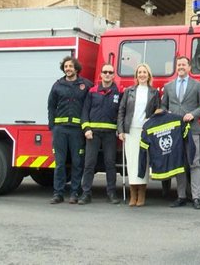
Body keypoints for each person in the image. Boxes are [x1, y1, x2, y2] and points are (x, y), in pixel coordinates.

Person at [161, 56, 200, 210]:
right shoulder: (168, 86)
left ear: (189, 67)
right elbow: (163, 106)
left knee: (194, 163)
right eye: (179, 64)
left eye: (183, 64)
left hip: (192, 129)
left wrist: (193, 114)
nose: (181, 67)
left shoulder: (197, 85)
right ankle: (181, 196)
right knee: (179, 165)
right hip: (175, 132)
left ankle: (196, 198)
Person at [47, 56, 93, 204]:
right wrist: (52, 126)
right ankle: (58, 193)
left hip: (77, 131)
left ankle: (74, 193)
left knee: (77, 163)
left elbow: (90, 105)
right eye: (66, 66)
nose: (68, 69)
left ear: (76, 69)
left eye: (70, 66)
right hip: (60, 130)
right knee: (59, 163)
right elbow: (51, 106)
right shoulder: (57, 85)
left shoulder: (85, 85)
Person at [117, 63, 160, 207]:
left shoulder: (154, 93)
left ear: (148, 75)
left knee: (143, 162)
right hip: (130, 131)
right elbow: (121, 111)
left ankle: (141, 194)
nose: (142, 75)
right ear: (136, 75)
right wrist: (121, 130)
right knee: (132, 163)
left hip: (145, 132)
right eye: (139, 72)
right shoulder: (129, 91)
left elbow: (157, 112)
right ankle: (132, 195)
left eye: (144, 72)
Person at [79, 63, 122, 205]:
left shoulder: (119, 92)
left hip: (110, 134)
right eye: (105, 72)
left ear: (114, 75)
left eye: (110, 72)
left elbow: (122, 113)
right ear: (101, 74)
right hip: (93, 133)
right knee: (89, 163)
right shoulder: (92, 91)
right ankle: (86, 193)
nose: (108, 74)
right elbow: (84, 111)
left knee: (110, 163)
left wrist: (120, 130)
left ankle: (111, 193)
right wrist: (86, 129)